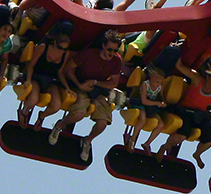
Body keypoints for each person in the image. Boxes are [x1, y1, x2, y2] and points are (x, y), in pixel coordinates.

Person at [48, 30, 123, 161]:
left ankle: (87, 141)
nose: (111, 53)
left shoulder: (116, 61)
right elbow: (69, 68)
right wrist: (80, 84)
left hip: (98, 91)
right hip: (80, 87)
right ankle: (59, 125)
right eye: (110, 49)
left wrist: (96, 82)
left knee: (103, 123)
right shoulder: (89, 54)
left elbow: (113, 82)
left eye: (115, 50)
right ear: (104, 46)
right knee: (79, 114)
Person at [18, 33, 75, 130]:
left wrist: (67, 88)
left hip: (50, 80)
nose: (61, 51)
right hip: (36, 77)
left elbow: (60, 72)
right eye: (60, 47)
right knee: (33, 100)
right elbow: (31, 65)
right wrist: (28, 79)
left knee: (56, 106)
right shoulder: (43, 48)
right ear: (55, 43)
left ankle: (42, 116)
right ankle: (24, 112)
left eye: (64, 49)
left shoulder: (65, 54)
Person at [127, 64, 167, 154]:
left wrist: (162, 103)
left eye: (160, 82)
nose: (158, 85)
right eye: (157, 82)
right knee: (142, 119)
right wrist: (156, 103)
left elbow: (161, 97)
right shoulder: (145, 84)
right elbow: (144, 101)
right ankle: (132, 140)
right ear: (151, 77)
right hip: (142, 105)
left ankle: (147, 143)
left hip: (152, 107)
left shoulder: (160, 87)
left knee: (160, 125)